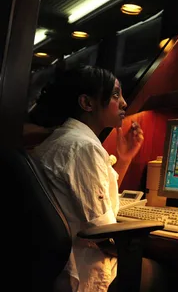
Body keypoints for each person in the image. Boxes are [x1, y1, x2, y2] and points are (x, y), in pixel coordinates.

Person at [31, 65, 148, 292]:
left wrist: (123, 159)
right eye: (115, 95)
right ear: (87, 103)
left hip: (52, 270)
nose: (124, 103)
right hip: (84, 274)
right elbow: (103, 234)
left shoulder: (64, 140)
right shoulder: (82, 147)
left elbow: (93, 206)